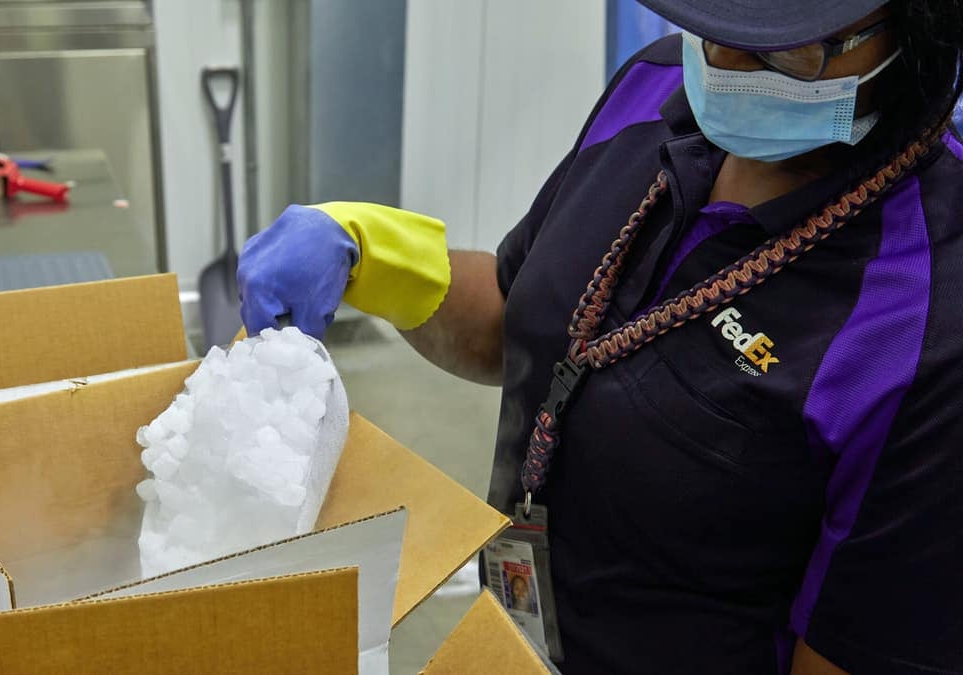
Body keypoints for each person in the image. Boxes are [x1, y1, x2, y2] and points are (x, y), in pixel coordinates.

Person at [237, 1, 963, 672]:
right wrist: (371, 253)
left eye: (788, 48)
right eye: (716, 23)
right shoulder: (653, 88)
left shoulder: (928, 315)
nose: (729, 66)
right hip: (516, 638)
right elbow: (515, 314)